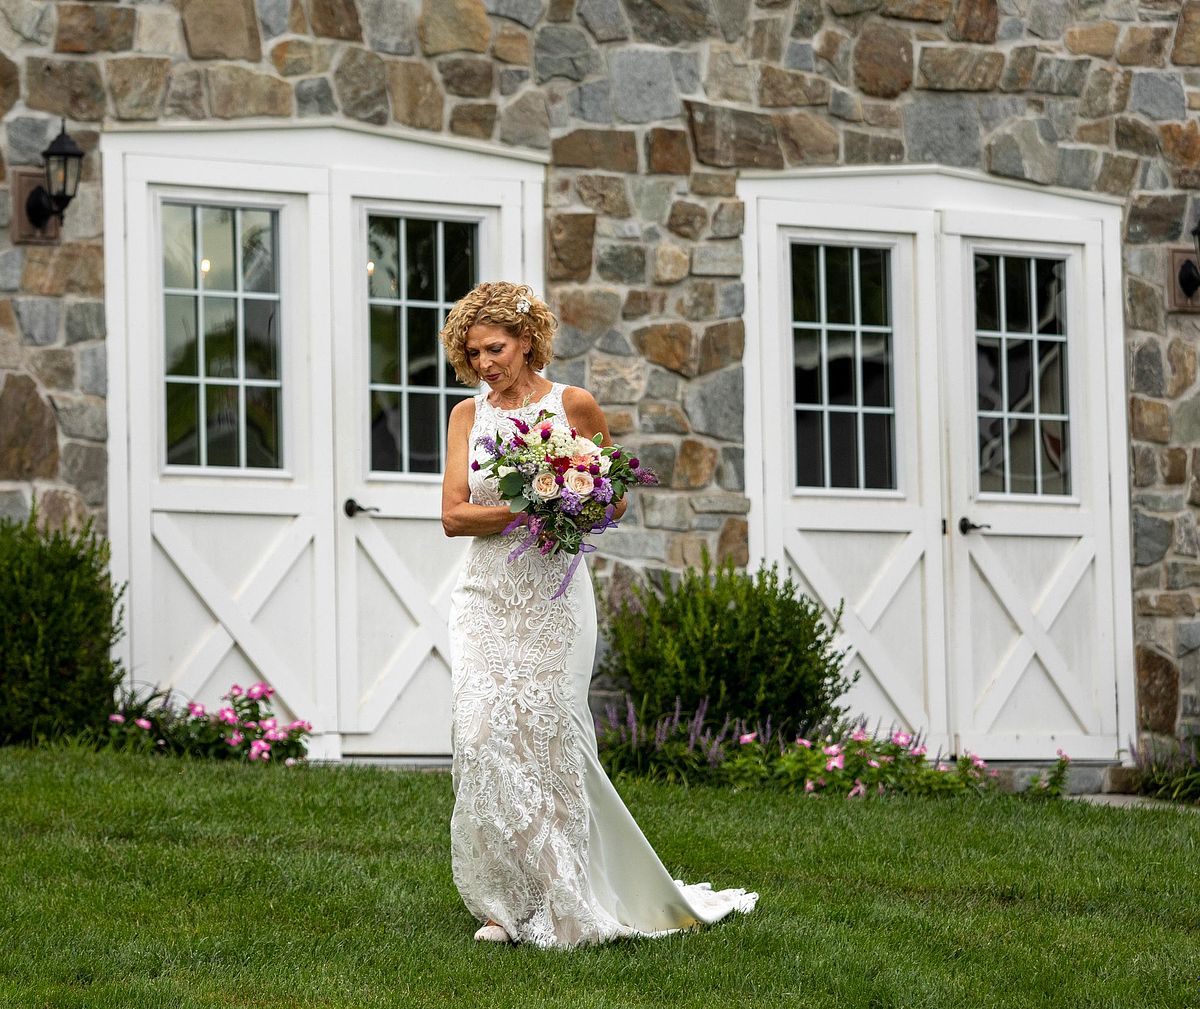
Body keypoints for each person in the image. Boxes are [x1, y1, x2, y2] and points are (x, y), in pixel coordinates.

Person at [438, 280, 758, 949]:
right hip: (485, 597)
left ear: (527, 340)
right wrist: (529, 506)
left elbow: (612, 499)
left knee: (551, 737)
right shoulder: (467, 415)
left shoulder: (573, 404)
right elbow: (454, 515)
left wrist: (569, 496)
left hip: (555, 599)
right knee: (481, 735)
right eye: (473, 353)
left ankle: (564, 896)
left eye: (495, 349)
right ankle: (505, 900)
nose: (484, 363)